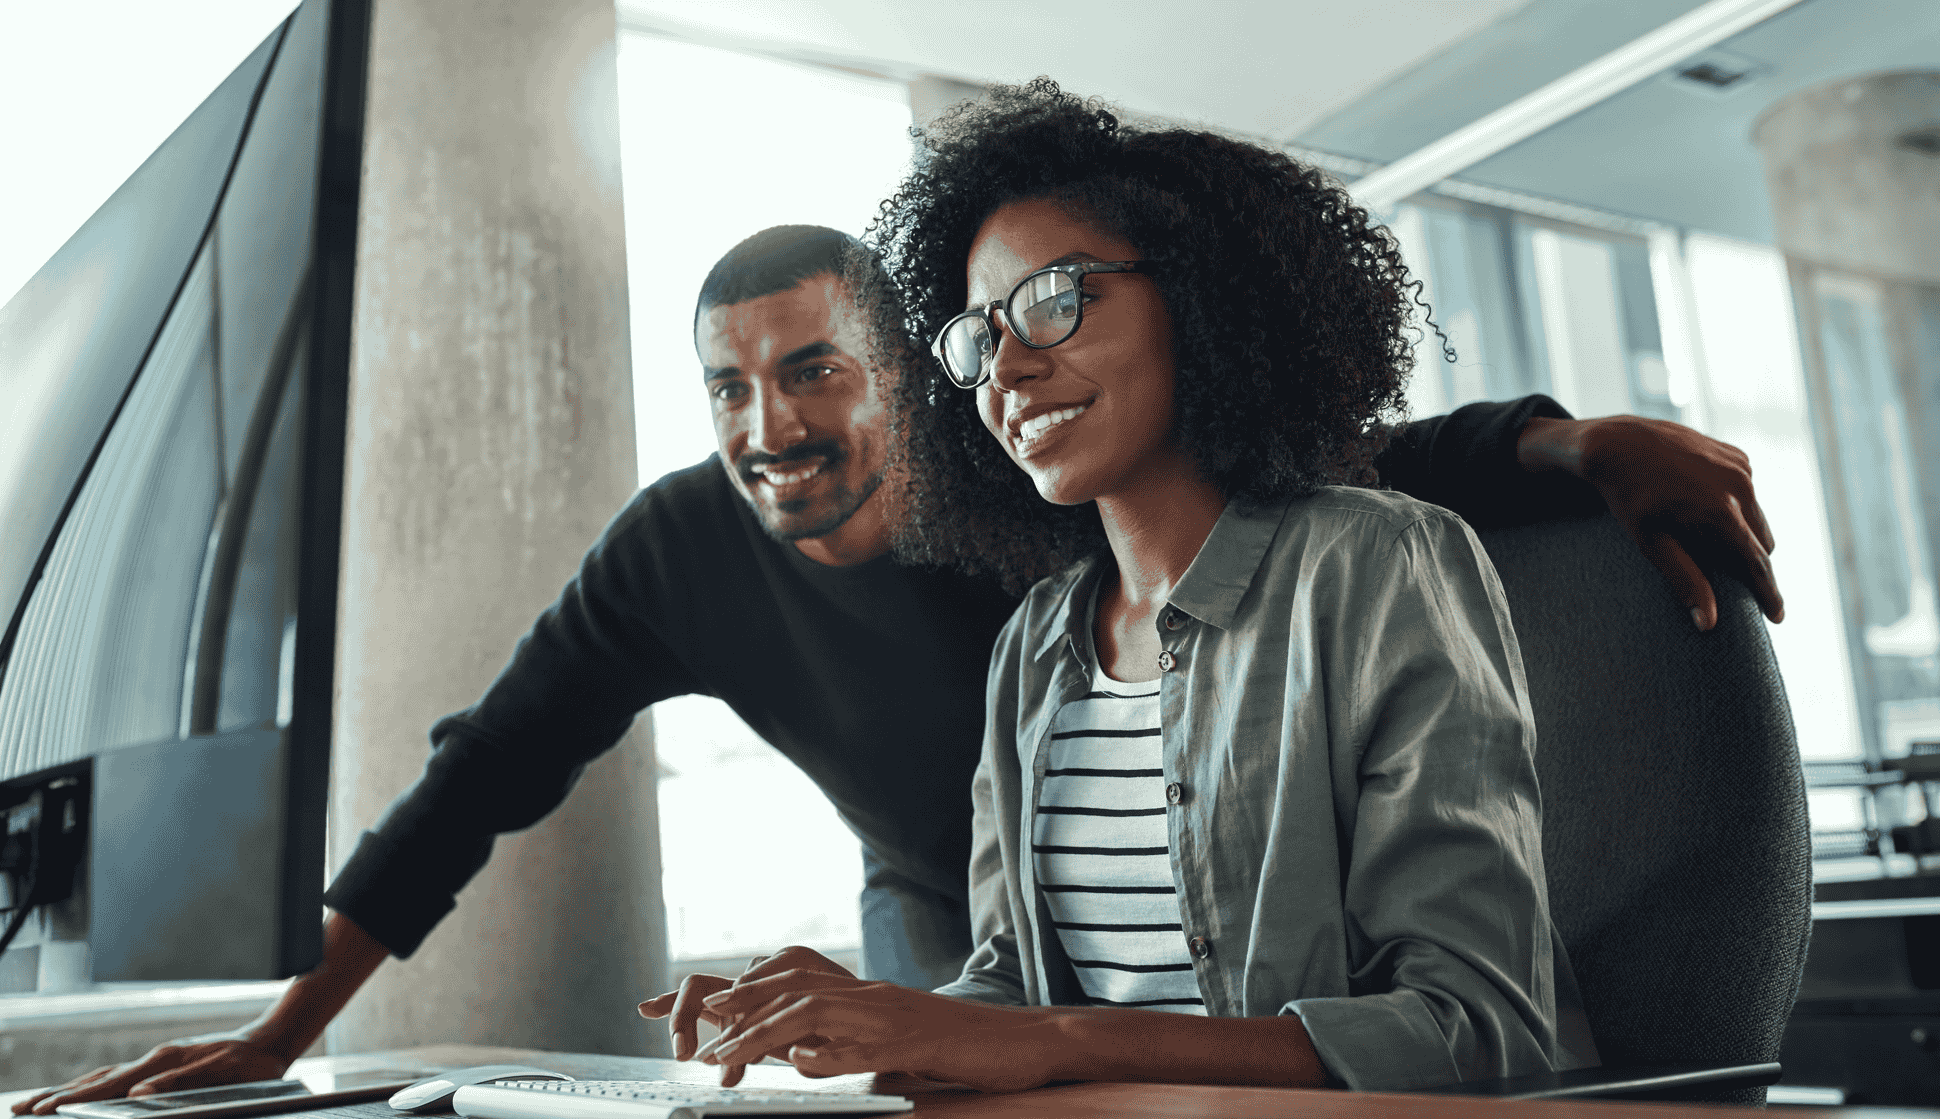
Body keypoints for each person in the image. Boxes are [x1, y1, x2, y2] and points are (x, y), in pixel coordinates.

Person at [17, 203, 1778, 1109]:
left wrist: (1568, 443)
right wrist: (284, 1030)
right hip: (951, 901)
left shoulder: (1015, 475)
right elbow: (479, 773)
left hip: (1216, 900)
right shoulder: (678, 548)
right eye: (728, 384)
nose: (769, 424)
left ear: (899, 375)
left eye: (815, 369)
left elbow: (1322, 463)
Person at [638, 80, 1641, 1093]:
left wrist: (1061, 1041)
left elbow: (1473, 1030)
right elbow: (1011, 992)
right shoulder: (1034, 644)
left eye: (1055, 300)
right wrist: (860, 1020)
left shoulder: (1375, 564)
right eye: (980, 335)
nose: (1007, 369)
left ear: (1199, 294)